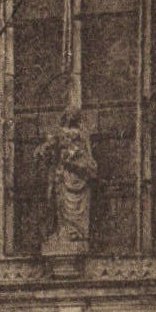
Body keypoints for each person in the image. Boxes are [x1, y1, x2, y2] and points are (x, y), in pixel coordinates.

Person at [37, 107, 97, 253]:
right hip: (62, 177)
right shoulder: (59, 134)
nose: (70, 118)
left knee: (75, 211)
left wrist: (75, 159)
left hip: (76, 178)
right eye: (68, 115)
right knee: (59, 204)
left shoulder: (82, 136)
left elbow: (89, 162)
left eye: (73, 116)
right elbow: (45, 150)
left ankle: (76, 233)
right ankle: (62, 232)